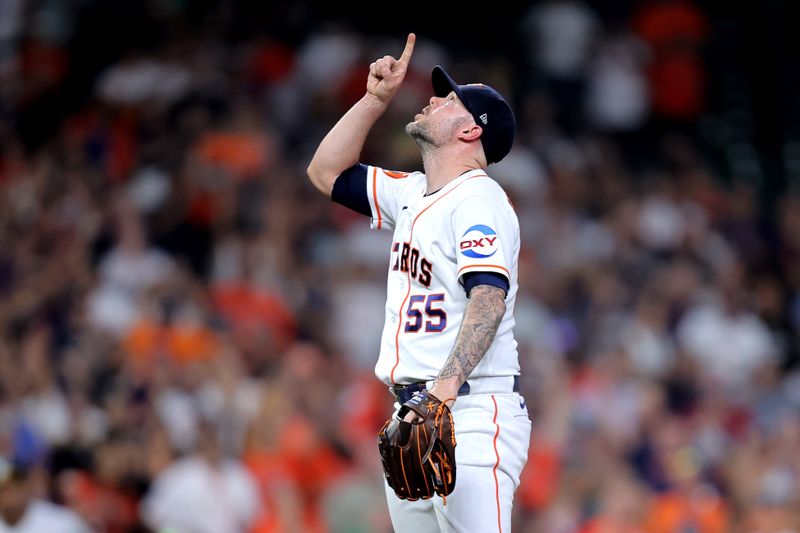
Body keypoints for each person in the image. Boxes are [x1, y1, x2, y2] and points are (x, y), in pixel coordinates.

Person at [307, 33, 531, 532]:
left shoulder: (478, 199)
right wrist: (373, 101)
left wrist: (441, 396)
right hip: (418, 412)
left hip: (468, 410)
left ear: (472, 131)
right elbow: (326, 173)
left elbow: (489, 299)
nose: (431, 98)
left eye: (448, 99)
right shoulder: (413, 191)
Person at [0, 457, 91, 533]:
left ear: (27, 486)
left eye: (15, 487)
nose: (9, 495)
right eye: (3, 489)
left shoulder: (62, 522)